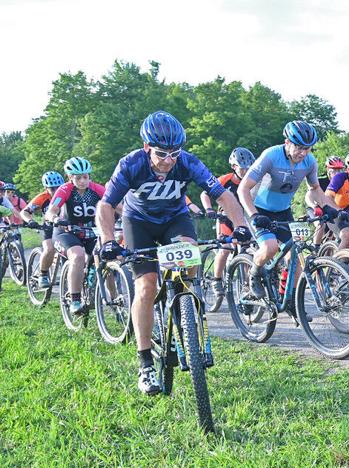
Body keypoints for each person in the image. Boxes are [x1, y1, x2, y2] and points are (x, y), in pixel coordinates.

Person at [96, 110, 251, 395]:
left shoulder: (188, 162)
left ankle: (186, 302)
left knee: (190, 252)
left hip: (174, 220)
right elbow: (105, 206)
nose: (169, 160)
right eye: (161, 154)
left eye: (174, 153)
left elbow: (224, 195)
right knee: (146, 287)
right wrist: (108, 240)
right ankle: (144, 363)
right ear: (146, 148)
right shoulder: (130, 164)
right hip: (138, 222)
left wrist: (241, 225)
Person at [238, 120, 330, 298]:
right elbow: (243, 188)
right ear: (287, 142)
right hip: (259, 210)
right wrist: (254, 215)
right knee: (270, 247)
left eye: (307, 148)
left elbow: (315, 189)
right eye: (298, 147)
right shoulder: (271, 155)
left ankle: (287, 299)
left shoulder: (310, 162)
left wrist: (329, 208)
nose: (303, 153)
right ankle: (254, 275)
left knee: (295, 259)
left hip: (283, 212)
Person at [45, 157, 106, 315]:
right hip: (66, 231)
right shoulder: (65, 190)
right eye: (78, 178)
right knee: (78, 256)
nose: (82, 181)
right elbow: (51, 210)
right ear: (70, 178)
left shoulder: (96, 189)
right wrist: (56, 219)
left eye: (85, 177)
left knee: (107, 257)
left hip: (91, 231)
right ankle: (75, 300)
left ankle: (113, 298)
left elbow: (117, 206)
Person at [200, 147, 255, 301]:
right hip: (225, 218)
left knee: (248, 248)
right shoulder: (225, 179)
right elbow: (205, 193)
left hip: (243, 220)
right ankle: (216, 280)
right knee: (225, 249)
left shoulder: (253, 180)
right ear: (234, 167)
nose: (245, 171)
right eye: (242, 168)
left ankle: (247, 283)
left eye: (248, 168)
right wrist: (209, 209)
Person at [21, 171, 65, 288]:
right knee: (50, 249)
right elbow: (25, 212)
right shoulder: (42, 197)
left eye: (58, 187)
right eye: (52, 189)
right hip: (49, 227)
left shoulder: (68, 193)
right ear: (46, 188)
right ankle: (43, 274)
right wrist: (30, 221)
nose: (56, 191)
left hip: (65, 227)